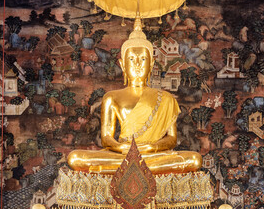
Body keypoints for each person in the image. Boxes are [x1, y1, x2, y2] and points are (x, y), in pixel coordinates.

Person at [67, 16, 202, 174]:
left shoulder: (166, 98)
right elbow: (106, 138)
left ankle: (135, 168)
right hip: (122, 155)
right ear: (123, 65)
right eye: (131, 59)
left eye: (143, 59)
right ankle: (139, 168)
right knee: (75, 158)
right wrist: (121, 147)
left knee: (194, 159)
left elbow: (171, 139)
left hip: (153, 155)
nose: (137, 65)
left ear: (151, 64)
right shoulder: (111, 97)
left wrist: (153, 147)